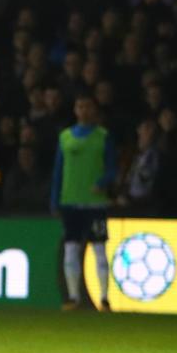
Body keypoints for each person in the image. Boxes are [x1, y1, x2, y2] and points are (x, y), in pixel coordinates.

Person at [51, 92, 115, 312]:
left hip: (95, 203)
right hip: (71, 202)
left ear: (94, 110)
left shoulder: (103, 136)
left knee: (99, 249)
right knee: (71, 249)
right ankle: (73, 297)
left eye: (87, 106)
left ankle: (104, 298)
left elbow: (112, 167)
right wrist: (55, 198)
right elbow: (58, 170)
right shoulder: (65, 137)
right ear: (75, 110)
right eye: (80, 106)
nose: (84, 110)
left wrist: (103, 181)